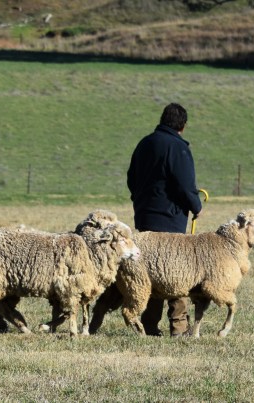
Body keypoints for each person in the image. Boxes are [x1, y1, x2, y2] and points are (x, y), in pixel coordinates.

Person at [88, 102, 203, 336]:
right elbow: (184, 184)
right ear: (183, 125)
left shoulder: (145, 143)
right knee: (175, 270)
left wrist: (139, 199)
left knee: (149, 270)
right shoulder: (178, 147)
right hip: (170, 218)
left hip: (145, 216)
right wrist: (196, 205)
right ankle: (179, 326)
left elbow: (132, 177)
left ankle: (150, 324)